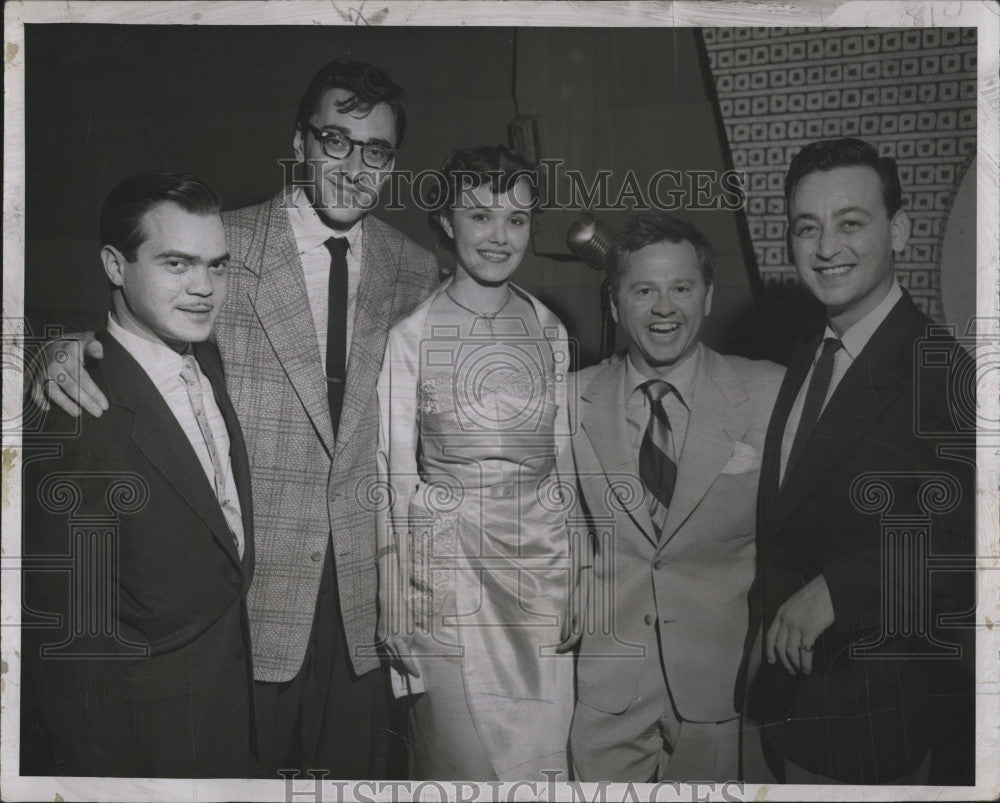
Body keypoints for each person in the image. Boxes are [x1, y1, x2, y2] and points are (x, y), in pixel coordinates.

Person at [32, 59, 439, 777]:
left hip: (363, 610)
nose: (354, 166)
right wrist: (53, 354)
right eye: (336, 140)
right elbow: (134, 330)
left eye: (375, 150)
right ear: (300, 142)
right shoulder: (225, 245)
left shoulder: (415, 268)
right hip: (240, 614)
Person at [748, 137, 976, 784]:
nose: (827, 248)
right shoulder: (806, 352)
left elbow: (969, 544)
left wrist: (839, 590)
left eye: (851, 223)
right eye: (807, 228)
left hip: (872, 726)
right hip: (785, 706)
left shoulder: (945, 372)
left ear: (899, 230)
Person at [22, 172, 256, 777]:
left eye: (217, 265)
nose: (204, 288)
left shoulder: (205, 358)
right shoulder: (77, 409)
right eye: (176, 264)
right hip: (143, 750)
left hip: (225, 715)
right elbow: (72, 651)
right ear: (115, 265)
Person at [375, 145, 575, 780]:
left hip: (541, 575)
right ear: (445, 221)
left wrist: (576, 576)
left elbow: (565, 461)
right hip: (446, 576)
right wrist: (397, 602)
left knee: (543, 767)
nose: (499, 236)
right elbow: (394, 478)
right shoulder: (411, 335)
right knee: (461, 767)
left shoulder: (550, 329)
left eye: (516, 220)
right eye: (480, 216)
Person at [562, 211, 784, 782]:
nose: (665, 308)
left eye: (682, 288)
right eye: (644, 290)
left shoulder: (771, 391)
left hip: (722, 688)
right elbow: (548, 525)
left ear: (707, 296)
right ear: (614, 305)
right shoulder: (567, 401)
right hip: (607, 691)